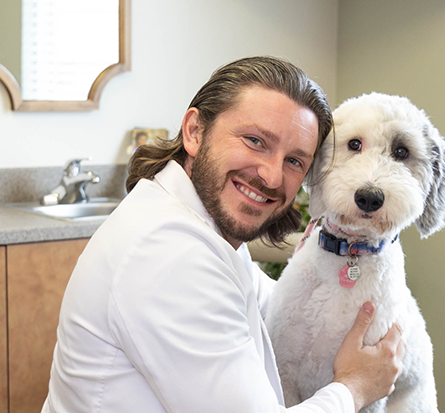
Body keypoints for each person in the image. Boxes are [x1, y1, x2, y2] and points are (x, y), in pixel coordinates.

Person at [42, 56, 406, 413]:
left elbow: (272, 304)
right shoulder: (168, 253)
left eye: (294, 160)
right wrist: (355, 386)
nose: (272, 176)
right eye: (255, 141)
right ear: (195, 132)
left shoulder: (201, 224)